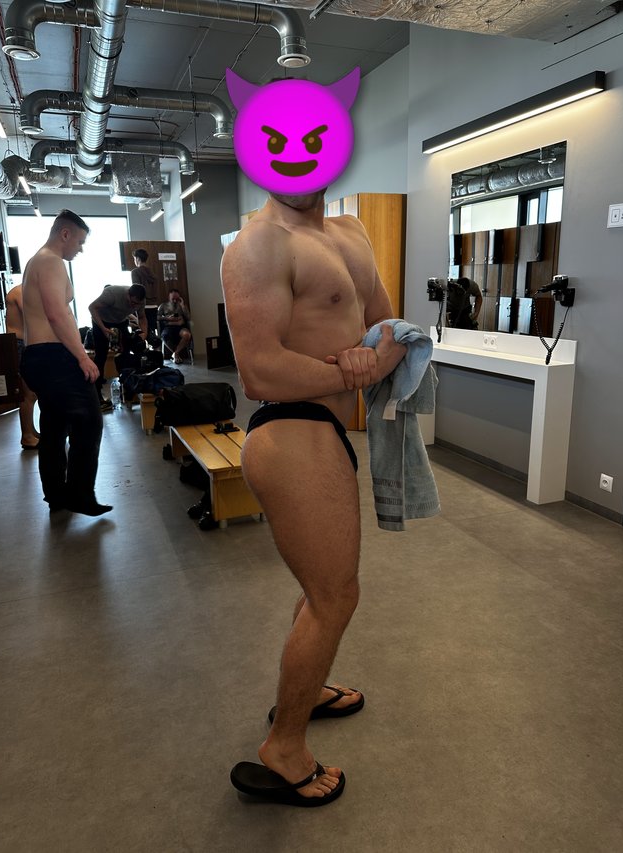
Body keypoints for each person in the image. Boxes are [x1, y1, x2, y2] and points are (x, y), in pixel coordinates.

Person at [221, 190, 406, 807]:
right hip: (290, 430)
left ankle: (309, 690)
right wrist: (356, 370)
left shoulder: (352, 231)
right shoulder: (258, 244)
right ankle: (284, 748)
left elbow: (389, 331)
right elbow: (260, 371)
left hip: (326, 429)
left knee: (320, 587)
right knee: (335, 598)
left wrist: (374, 355)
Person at [19, 209, 111, 516]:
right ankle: (80, 495)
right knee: (90, 421)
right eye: (80, 242)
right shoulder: (51, 261)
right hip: (53, 357)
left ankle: (57, 495)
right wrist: (82, 357)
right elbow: (57, 314)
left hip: (38, 357)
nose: (80, 249)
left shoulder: (36, 261)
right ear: (65, 234)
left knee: (55, 425)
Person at [88, 283, 147, 410]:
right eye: (132, 302)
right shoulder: (112, 294)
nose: (134, 306)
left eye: (137, 304)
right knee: (101, 357)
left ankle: (128, 391)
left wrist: (144, 334)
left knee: (126, 355)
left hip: (121, 322)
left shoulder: (141, 302)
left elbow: (142, 317)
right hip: (101, 322)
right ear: (127, 294)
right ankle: (97, 396)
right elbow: (92, 307)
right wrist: (103, 329)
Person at [5, 284, 40, 450]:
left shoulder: (27, 291)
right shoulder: (20, 291)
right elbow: (33, 315)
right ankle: (27, 436)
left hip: (25, 344)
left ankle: (30, 431)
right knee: (28, 394)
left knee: (32, 393)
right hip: (18, 344)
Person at [157, 288, 191, 364]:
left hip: (181, 327)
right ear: (169, 297)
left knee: (187, 335)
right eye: (173, 299)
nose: (175, 301)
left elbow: (188, 317)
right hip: (168, 327)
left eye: (177, 299)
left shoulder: (182, 305)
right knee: (164, 336)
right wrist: (167, 318)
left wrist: (182, 306)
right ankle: (176, 354)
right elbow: (157, 317)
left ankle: (176, 353)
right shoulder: (163, 305)